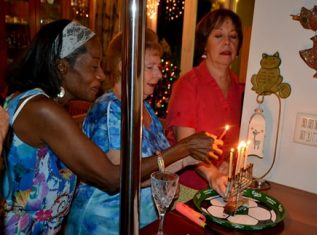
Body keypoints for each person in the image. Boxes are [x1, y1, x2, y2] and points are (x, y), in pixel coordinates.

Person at [2, 20, 221, 234]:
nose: (101, 75)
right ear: (62, 67)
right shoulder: (43, 110)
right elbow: (112, 178)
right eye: (93, 66)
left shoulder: (42, 105)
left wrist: (192, 157)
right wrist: (183, 148)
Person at [65, 29, 224, 235]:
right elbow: (124, 176)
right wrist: (185, 155)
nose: (159, 74)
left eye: (157, 66)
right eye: (150, 67)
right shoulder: (110, 110)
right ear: (125, 68)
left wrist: (200, 164)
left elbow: (161, 165)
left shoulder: (145, 108)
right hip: (104, 224)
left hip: (143, 223)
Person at [166, 8, 245, 195]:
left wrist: (228, 163)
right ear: (205, 43)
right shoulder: (187, 85)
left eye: (233, 37)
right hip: (186, 189)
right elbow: (186, 146)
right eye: (218, 36)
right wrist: (212, 173)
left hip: (225, 185)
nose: (227, 42)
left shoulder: (240, 88)